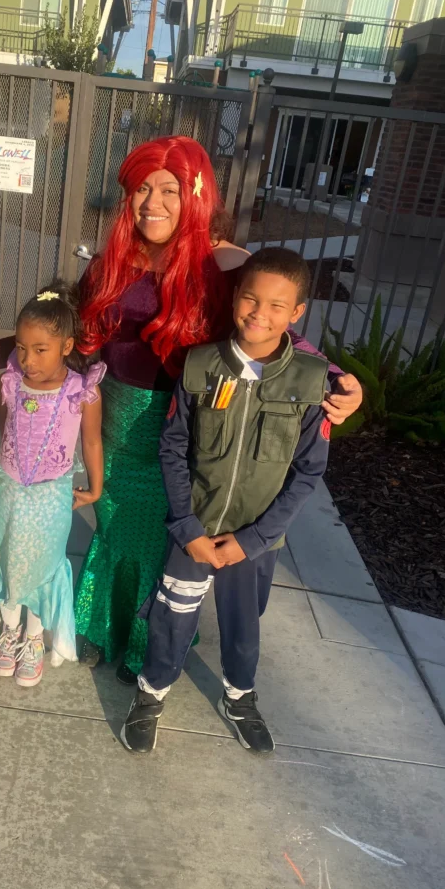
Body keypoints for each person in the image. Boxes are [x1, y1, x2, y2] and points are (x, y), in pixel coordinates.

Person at [0, 136, 363, 686]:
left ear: (195, 195)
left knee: (155, 539)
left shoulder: (224, 263)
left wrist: (338, 380)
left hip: (178, 426)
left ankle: (145, 643)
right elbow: (68, 332)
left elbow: (275, 331)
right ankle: (101, 627)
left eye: (169, 189)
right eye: (143, 188)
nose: (152, 201)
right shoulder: (112, 262)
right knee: (112, 530)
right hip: (112, 420)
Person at [122, 248, 331, 754]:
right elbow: (173, 448)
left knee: (243, 626)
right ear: (235, 298)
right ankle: (151, 694)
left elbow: (308, 471)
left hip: (255, 542)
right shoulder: (199, 365)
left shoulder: (310, 380)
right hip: (193, 530)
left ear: (297, 313)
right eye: (251, 298)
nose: (260, 313)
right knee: (172, 616)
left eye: (278, 306)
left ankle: (240, 696)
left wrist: (254, 540)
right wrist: (188, 529)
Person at [0, 283, 105, 687]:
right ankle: (9, 632)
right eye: (22, 347)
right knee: (9, 558)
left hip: (51, 497)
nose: (28, 359)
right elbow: (7, 429)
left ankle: (33, 638)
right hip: (10, 491)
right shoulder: (9, 383)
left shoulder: (82, 393)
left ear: (66, 346)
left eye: (40, 349)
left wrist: (95, 490)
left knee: (43, 565)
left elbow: (92, 441)